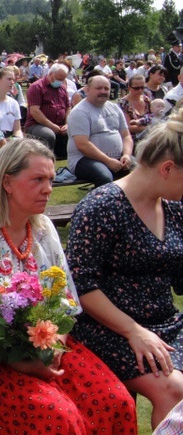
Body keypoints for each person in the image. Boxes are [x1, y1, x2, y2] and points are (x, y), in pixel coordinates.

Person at [0, 138, 137, 434]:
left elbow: (65, 297)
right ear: (7, 182)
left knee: (114, 401)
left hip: (48, 347)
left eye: (51, 180)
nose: (48, 189)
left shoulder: (42, 228)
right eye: (38, 179)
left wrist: (56, 345)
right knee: (58, 417)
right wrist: (24, 362)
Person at [67, 111, 183, 429]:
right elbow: (80, 284)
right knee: (175, 392)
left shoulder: (173, 207)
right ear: (168, 169)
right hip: (108, 329)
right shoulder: (103, 206)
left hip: (164, 324)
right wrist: (134, 331)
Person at [67, 76, 133, 187]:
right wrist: (108, 161)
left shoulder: (115, 108)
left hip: (116, 158)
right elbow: (82, 145)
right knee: (105, 177)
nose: (103, 91)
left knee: (144, 170)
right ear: (87, 90)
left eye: (106, 89)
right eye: (98, 88)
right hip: (84, 159)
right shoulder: (79, 112)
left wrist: (126, 155)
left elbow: (126, 136)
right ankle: (102, 203)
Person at [24, 63, 71, 159]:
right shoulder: (36, 87)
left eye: (63, 79)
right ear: (50, 74)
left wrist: (67, 124)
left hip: (60, 125)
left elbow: (68, 108)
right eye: (58, 78)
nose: (60, 81)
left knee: (76, 131)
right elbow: (35, 111)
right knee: (48, 134)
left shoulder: (62, 88)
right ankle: (46, 160)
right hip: (37, 124)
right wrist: (52, 126)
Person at [0, 68, 23, 138]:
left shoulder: (14, 103)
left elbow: (17, 129)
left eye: (13, 79)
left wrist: (18, 141)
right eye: (9, 79)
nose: (12, 82)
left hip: (10, 143)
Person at [120, 74, 153, 144]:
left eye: (142, 87)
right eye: (136, 88)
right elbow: (128, 127)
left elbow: (153, 117)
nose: (140, 90)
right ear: (129, 87)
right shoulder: (123, 104)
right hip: (132, 140)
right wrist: (149, 128)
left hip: (149, 138)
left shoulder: (147, 100)